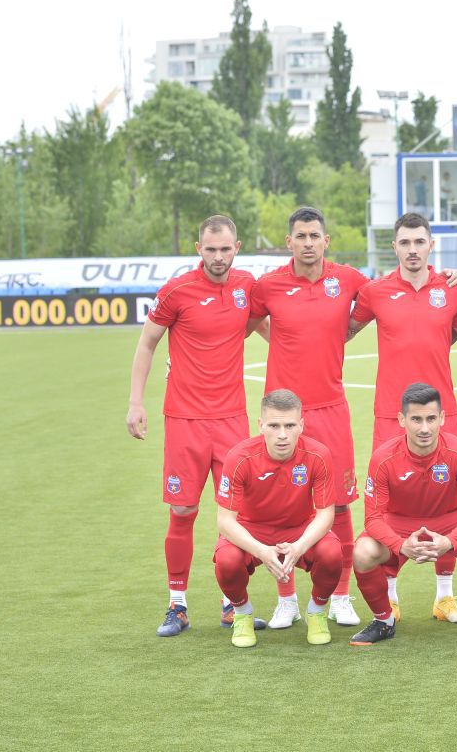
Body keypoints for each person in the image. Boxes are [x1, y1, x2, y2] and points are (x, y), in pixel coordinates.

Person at [127, 214, 266, 637]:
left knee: (235, 514)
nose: (219, 257)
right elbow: (147, 342)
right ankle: (178, 604)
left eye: (226, 249)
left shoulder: (247, 288)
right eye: (211, 249)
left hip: (232, 421)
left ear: (237, 248)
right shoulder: (177, 291)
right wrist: (136, 402)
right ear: (198, 248)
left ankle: (232, 605)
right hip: (185, 420)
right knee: (183, 510)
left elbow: (277, 332)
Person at [349, 212, 457, 623]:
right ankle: (390, 595)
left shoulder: (452, 290)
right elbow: (334, 334)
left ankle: (445, 597)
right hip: (390, 416)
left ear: (431, 246)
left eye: (419, 242)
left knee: (449, 498)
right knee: (391, 501)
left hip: (440, 415)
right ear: (394, 247)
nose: (412, 250)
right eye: (405, 243)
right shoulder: (375, 291)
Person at [247, 206, 368, 630]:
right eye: (301, 236)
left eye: (315, 236)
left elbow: (387, 298)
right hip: (283, 413)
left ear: (326, 240)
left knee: (340, 503)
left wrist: (450, 278)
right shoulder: (269, 286)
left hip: (331, 408)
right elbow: (233, 327)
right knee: (284, 506)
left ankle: (339, 596)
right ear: (289, 241)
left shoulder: (348, 280)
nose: (308, 243)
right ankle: (286, 600)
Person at [349, 383, 457, 645]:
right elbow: (373, 518)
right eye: (416, 419)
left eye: (431, 419)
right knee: (363, 551)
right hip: (400, 524)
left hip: (450, 521)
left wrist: (451, 540)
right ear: (402, 420)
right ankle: (384, 621)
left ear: (442, 418)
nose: (424, 428)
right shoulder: (383, 457)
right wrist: (400, 545)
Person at [213, 390, 342, 648]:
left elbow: (326, 513)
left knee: (332, 553)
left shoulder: (318, 454)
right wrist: (261, 551)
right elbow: (225, 521)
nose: (282, 434)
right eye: (274, 425)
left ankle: (316, 612)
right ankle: (242, 613)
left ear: (301, 425)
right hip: (253, 530)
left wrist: (299, 547)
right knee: (226, 560)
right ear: (261, 426)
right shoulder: (239, 457)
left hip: (300, 528)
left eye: (290, 425)